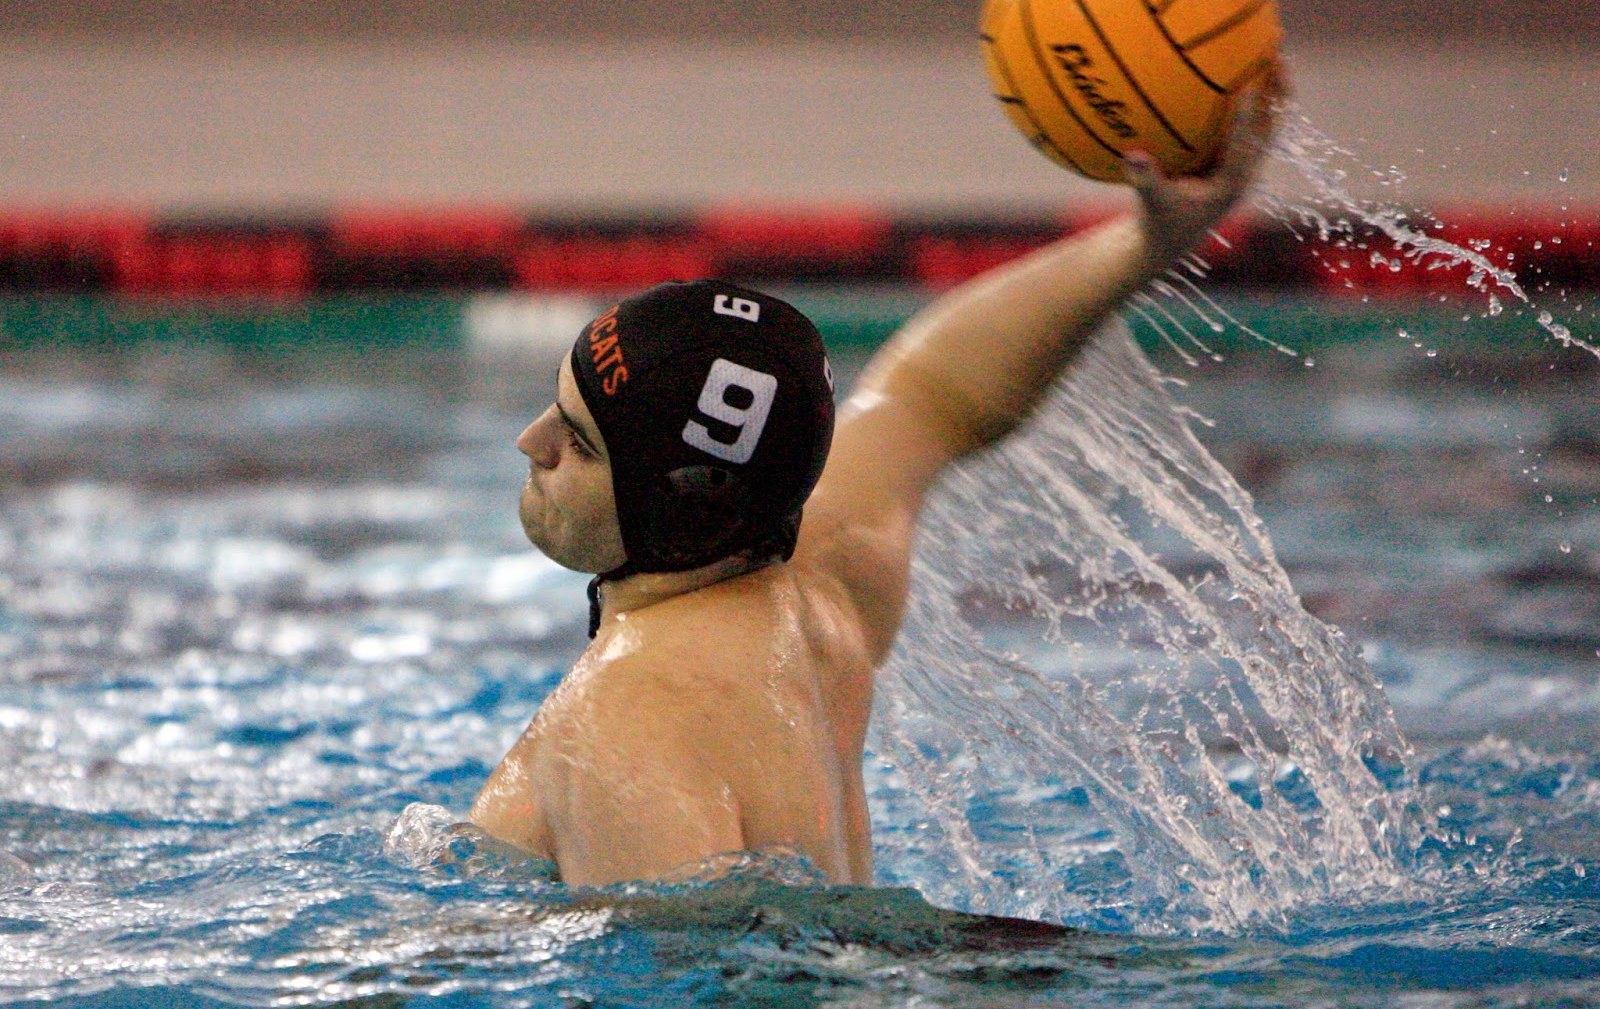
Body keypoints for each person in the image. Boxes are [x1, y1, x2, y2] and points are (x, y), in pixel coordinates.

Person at [469, 73, 1283, 887]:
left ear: (683, 508)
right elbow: (931, 393)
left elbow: (699, 952)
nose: (530, 441)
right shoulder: (818, 587)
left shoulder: (619, 718)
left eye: (579, 443)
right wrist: (1149, 245)